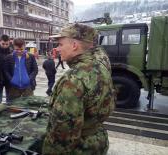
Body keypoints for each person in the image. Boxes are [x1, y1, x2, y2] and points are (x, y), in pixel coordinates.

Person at [42, 23, 115, 155]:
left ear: (74, 46)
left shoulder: (74, 79)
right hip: (97, 141)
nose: (57, 49)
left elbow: (63, 133)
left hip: (80, 148)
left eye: (60, 44)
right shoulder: (101, 64)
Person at [0, 34, 12, 102]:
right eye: (3, 44)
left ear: (9, 42)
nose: (5, 46)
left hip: (9, 80)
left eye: (6, 44)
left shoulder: (12, 53)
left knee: (10, 100)